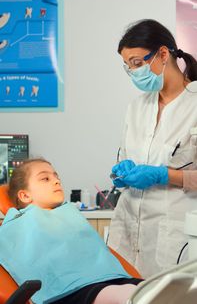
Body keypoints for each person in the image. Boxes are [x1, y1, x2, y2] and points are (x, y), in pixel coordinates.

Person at [107, 19, 197, 279]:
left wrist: (164, 175)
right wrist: (120, 173)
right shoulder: (137, 107)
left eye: (137, 63)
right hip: (127, 233)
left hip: (175, 239)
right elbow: (125, 157)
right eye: (128, 67)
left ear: (163, 54)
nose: (134, 72)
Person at [0, 158, 143, 304]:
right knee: (126, 293)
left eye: (57, 177)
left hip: (108, 278)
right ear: (24, 195)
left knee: (147, 287)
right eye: (45, 178)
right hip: (68, 292)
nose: (56, 181)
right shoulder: (18, 224)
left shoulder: (68, 214)